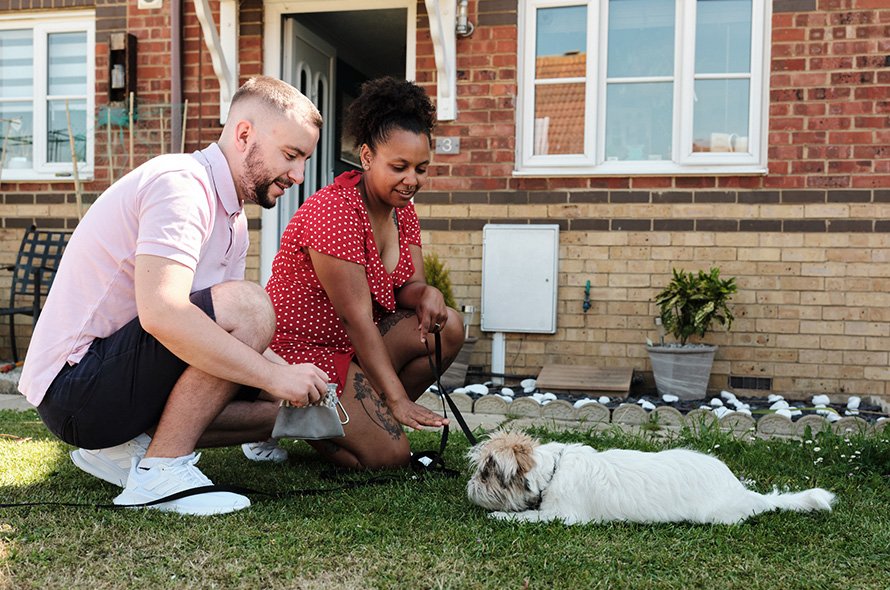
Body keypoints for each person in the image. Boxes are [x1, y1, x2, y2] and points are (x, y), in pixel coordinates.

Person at [18, 76, 330, 515]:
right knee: (252, 307)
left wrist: (291, 379)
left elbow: (229, 338)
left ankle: (124, 450)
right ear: (244, 134)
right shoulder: (182, 186)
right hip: (75, 391)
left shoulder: (233, 219)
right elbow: (163, 313)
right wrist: (270, 376)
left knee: (286, 404)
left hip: (108, 383)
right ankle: (160, 472)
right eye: (291, 155)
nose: (298, 175)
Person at [265, 77, 465, 469]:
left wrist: (425, 294)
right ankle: (284, 418)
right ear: (367, 156)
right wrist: (397, 399)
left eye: (421, 169)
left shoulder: (402, 209)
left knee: (450, 327)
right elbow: (355, 317)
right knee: (390, 457)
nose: (412, 180)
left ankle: (366, 418)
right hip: (303, 351)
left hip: (352, 347)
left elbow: (408, 286)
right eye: (399, 166)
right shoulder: (334, 212)